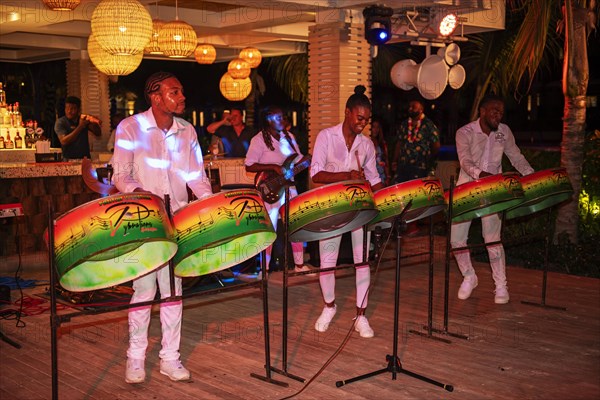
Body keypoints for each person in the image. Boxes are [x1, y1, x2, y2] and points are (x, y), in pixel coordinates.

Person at [112, 72, 213, 383]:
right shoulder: (130, 127)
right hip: (145, 220)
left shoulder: (187, 131)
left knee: (173, 291)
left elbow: (196, 174)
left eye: (181, 91)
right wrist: (146, 197)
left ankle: (170, 357)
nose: (182, 97)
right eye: (175, 92)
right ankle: (135, 358)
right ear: (155, 98)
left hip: (178, 219)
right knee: (143, 290)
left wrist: (209, 203)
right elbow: (121, 175)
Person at [310, 85, 383, 338]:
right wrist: (347, 176)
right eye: (359, 118)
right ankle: (329, 307)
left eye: (366, 119)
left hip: (359, 209)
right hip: (331, 207)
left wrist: (386, 201)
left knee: (361, 261)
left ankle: (361, 315)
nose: (362, 123)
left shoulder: (367, 144)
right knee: (327, 262)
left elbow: (374, 179)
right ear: (347, 112)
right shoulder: (326, 137)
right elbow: (316, 174)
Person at [451, 94, 534, 304]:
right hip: (466, 189)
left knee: (493, 239)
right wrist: (481, 175)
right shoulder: (465, 132)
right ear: (482, 111)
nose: (498, 115)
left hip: (494, 190)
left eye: (501, 112)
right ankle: (469, 276)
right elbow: (465, 160)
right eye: (494, 111)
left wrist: (531, 176)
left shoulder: (504, 132)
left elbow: (516, 157)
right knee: (457, 240)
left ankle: (501, 286)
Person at [245, 106, 311, 275]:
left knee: (294, 224)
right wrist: (273, 167)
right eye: (278, 117)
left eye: (283, 117)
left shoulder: (289, 137)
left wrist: (313, 158)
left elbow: (298, 159)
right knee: (270, 228)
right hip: (270, 188)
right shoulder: (259, 140)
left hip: (289, 187)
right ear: (268, 119)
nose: (282, 120)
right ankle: (264, 270)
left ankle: (299, 265)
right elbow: (250, 164)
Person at [393, 98, 440, 183]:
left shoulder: (429, 125)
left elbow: (436, 146)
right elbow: (399, 143)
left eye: (414, 106)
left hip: (421, 168)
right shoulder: (404, 124)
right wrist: (394, 161)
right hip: (403, 167)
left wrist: (429, 160)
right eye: (409, 106)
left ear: (421, 109)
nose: (410, 108)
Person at [370, 118, 390, 186]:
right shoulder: (367, 142)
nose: (375, 130)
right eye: (373, 127)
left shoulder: (381, 143)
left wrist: (388, 177)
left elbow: (386, 161)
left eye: (377, 127)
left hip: (381, 176)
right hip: (371, 177)